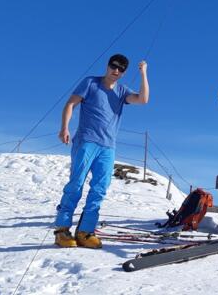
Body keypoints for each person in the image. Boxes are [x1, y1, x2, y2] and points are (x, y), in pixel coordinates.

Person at [53, 54, 150, 248]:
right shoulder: (91, 82)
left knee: (99, 189)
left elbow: (143, 99)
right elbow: (70, 104)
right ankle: (62, 230)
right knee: (76, 184)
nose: (116, 70)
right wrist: (64, 127)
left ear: (123, 73)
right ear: (107, 66)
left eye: (121, 69)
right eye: (114, 66)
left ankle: (85, 231)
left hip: (108, 147)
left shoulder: (122, 92)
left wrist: (143, 74)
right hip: (86, 141)